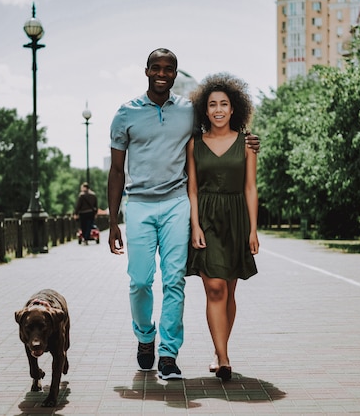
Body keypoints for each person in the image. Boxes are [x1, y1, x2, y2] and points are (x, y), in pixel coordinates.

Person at [108, 48, 259, 380]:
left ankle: (168, 354)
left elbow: (220, 127)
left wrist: (249, 140)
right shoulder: (125, 114)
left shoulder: (189, 111)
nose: (162, 74)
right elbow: (117, 171)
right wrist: (112, 222)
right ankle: (146, 337)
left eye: (169, 69)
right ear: (146, 71)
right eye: (156, 68)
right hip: (139, 205)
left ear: (175, 74)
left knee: (174, 281)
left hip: (178, 202)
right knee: (140, 281)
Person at [186, 72, 259, 382]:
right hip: (206, 217)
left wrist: (253, 230)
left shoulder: (247, 143)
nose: (218, 110)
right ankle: (225, 358)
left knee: (229, 291)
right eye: (213, 104)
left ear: (234, 109)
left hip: (236, 218)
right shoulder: (194, 144)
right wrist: (195, 226)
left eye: (224, 104)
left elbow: (251, 188)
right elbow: (191, 188)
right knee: (214, 288)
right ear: (205, 109)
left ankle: (219, 351)